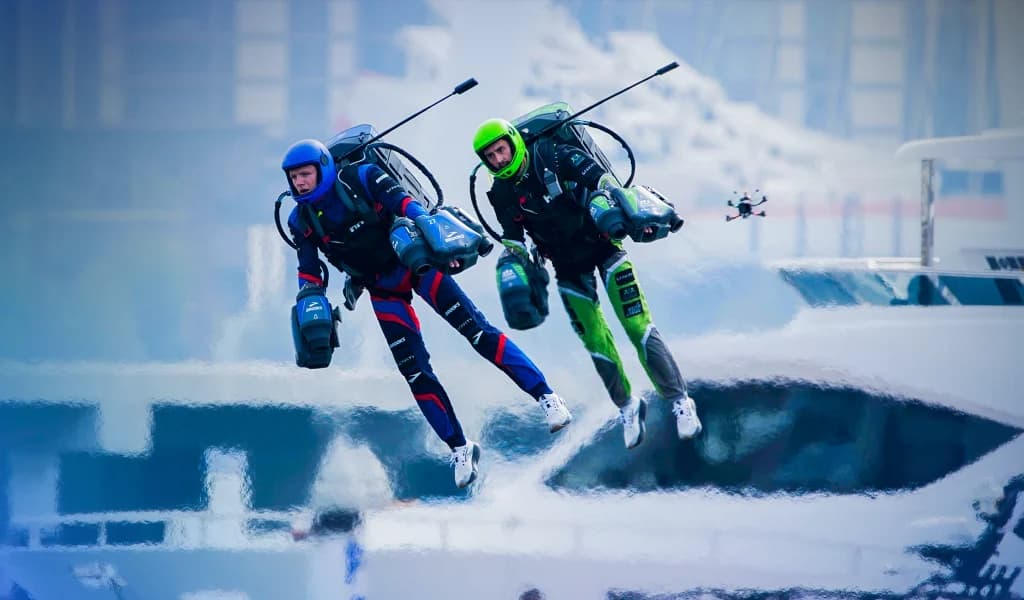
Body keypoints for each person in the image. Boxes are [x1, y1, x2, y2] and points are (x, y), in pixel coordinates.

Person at [282, 138, 572, 488]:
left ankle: (547, 397)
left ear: (322, 169)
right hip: (381, 287)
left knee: (478, 333)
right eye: (294, 177)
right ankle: (460, 449)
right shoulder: (301, 220)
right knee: (415, 373)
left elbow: (407, 204)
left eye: (305, 174)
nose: (299, 183)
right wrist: (308, 299)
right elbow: (309, 270)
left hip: (417, 263)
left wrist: (439, 236)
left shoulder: (362, 177)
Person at [471, 118, 702, 449]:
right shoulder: (500, 193)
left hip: (605, 246)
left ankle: (680, 402)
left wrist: (627, 207)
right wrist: (514, 265)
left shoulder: (551, 154)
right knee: (595, 340)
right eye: (490, 156)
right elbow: (513, 238)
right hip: (566, 267)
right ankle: (627, 406)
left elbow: (602, 179)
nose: (498, 160)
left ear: (513, 142)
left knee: (637, 326)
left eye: (501, 150)